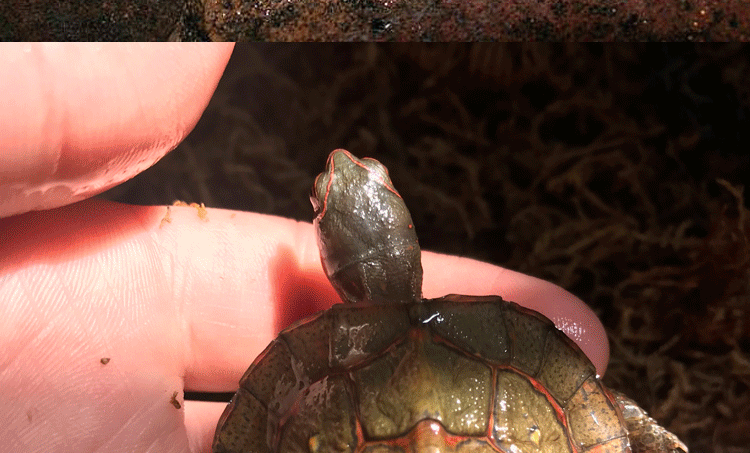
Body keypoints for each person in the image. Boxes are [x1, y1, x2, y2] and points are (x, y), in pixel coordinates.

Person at [0, 44, 609, 453]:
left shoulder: (308, 366)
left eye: (322, 201)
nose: (340, 162)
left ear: (330, 258)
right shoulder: (503, 351)